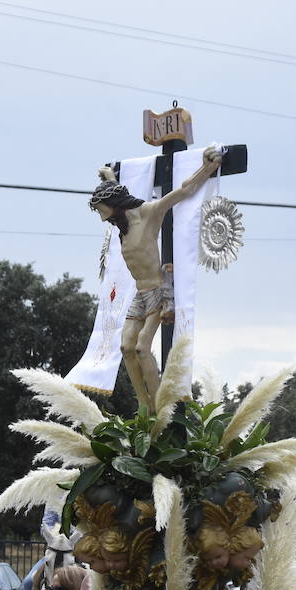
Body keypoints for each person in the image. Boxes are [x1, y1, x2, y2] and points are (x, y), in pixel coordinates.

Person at [90, 145, 223, 410]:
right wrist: (109, 176)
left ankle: (159, 403)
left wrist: (209, 167)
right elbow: (116, 191)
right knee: (126, 347)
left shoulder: (149, 214)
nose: (102, 216)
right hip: (140, 293)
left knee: (141, 348)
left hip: (158, 290)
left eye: (103, 209)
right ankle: (143, 403)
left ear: (114, 206)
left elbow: (183, 191)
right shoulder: (123, 224)